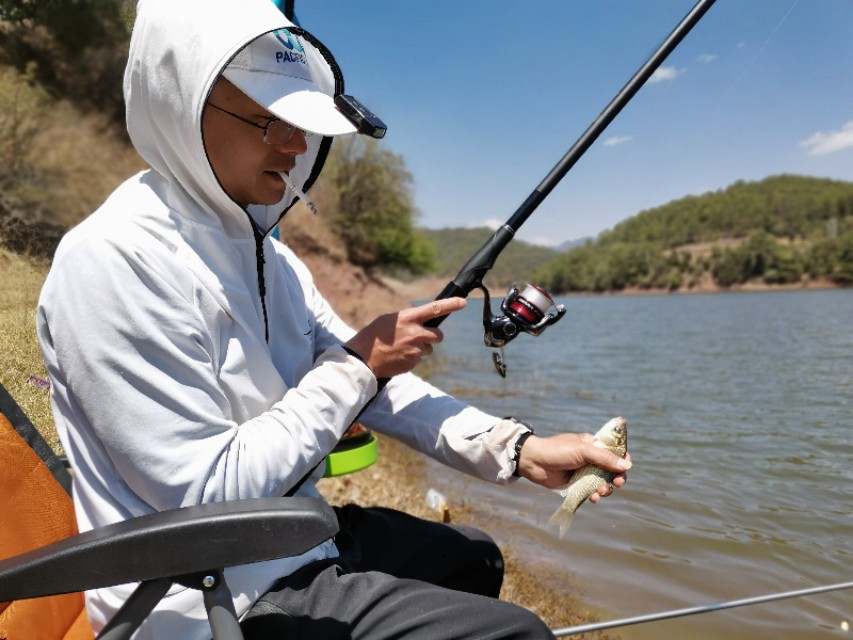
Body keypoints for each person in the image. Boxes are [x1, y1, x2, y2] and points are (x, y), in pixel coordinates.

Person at [36, 1, 631, 638]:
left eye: (301, 122)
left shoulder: (274, 258)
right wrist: (355, 367)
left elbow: (377, 384)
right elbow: (204, 496)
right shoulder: (113, 259)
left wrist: (517, 449)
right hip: (202, 598)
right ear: (179, 106)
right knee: (518, 635)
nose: (296, 146)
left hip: (291, 542)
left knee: (475, 556)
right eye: (270, 121)